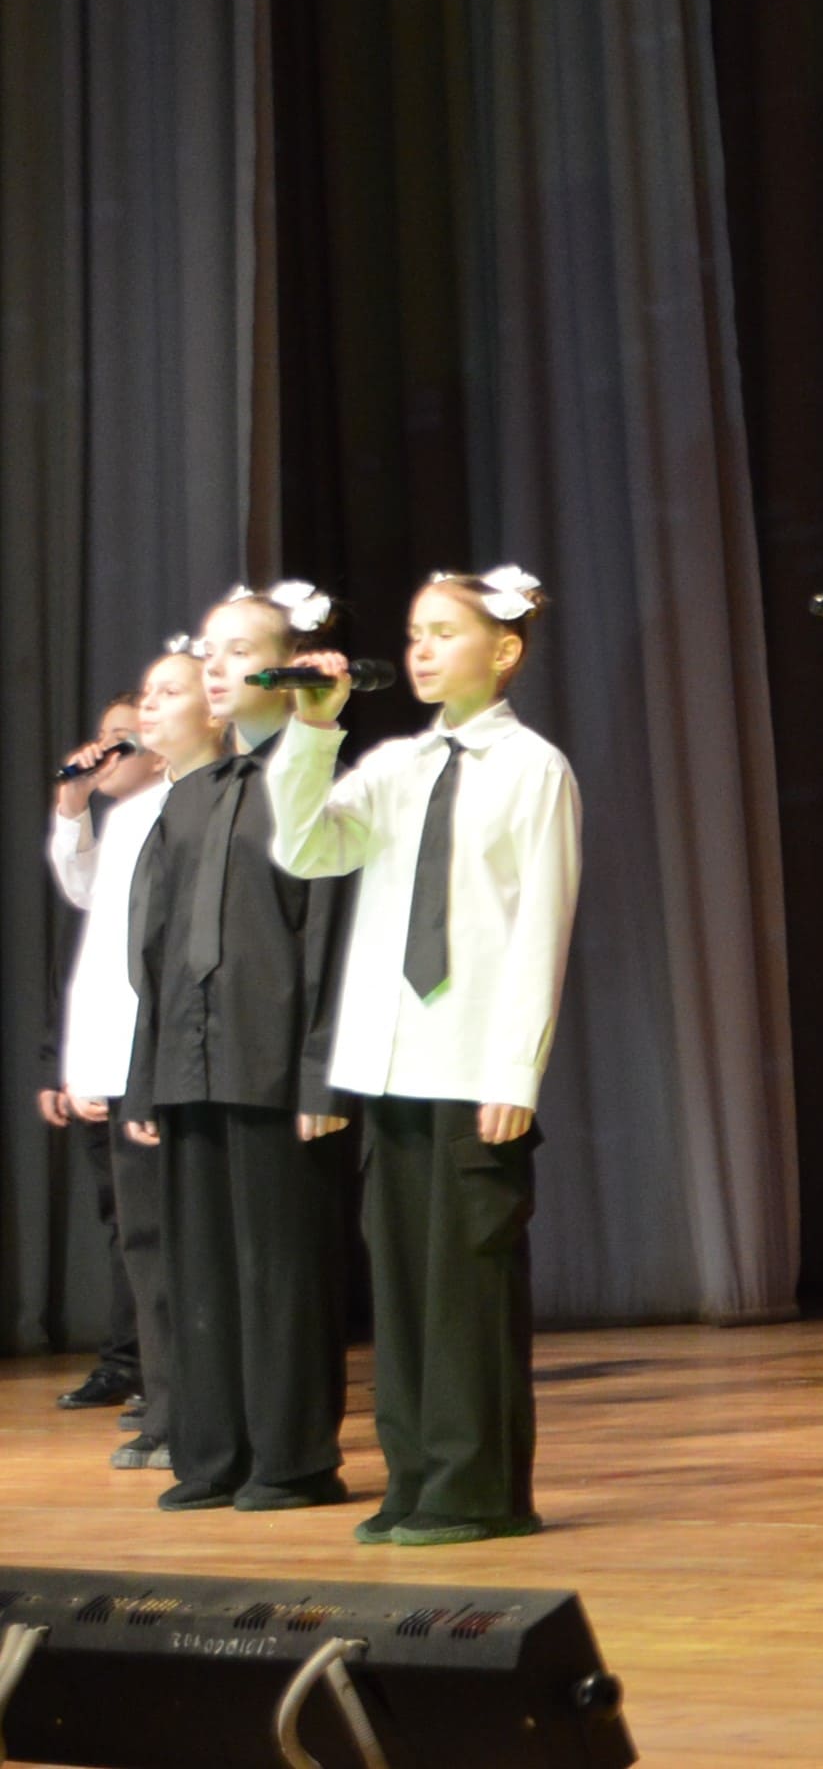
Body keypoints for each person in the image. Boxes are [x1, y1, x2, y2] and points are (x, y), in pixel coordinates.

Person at [269, 567, 580, 1546]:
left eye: (446, 632)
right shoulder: (396, 765)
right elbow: (307, 849)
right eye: (415, 633)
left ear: (505, 650)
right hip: (391, 1066)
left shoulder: (534, 768)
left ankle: (477, 1491)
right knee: (402, 1290)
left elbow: (541, 928)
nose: (423, 649)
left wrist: (515, 1071)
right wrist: (311, 734)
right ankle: (412, 1479)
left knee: (468, 1289)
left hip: (472, 1067)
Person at [129, 582, 352, 1514]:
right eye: (208, 652)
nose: (214, 668)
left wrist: (320, 1075)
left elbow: (332, 938)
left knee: (280, 1271)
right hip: (189, 1068)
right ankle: (211, 1455)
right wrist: (145, 1079)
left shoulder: (313, 786)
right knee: (202, 1271)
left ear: (287, 667)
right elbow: (154, 953)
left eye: (238, 651)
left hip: (273, 1069)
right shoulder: (187, 801)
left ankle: (292, 1461)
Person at [44, 690, 160, 1425]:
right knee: (125, 1226)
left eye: (126, 736)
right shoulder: (116, 828)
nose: (107, 749)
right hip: (105, 1065)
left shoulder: (173, 814)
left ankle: (162, 1373)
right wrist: (72, 802)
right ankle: (131, 1362)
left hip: (147, 1064)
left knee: (155, 1228)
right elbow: (82, 909)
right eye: (103, 735)